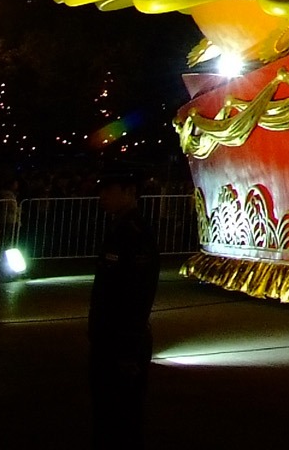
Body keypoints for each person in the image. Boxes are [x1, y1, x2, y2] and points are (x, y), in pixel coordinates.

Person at [88, 168, 158, 448]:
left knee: (123, 414)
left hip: (122, 340)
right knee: (105, 410)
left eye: (110, 190)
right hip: (107, 336)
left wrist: (129, 347)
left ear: (130, 193)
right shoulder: (118, 228)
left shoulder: (135, 233)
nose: (102, 196)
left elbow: (138, 294)